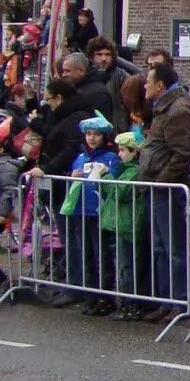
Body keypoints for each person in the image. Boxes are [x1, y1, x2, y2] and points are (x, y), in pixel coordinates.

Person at [137, 61, 190, 325]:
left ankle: (180, 301)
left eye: (148, 82)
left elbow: (182, 154)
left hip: (168, 190)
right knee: (162, 248)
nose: (145, 86)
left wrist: (162, 181)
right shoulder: (165, 107)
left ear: (160, 85)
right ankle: (166, 300)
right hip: (157, 188)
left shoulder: (177, 110)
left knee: (174, 248)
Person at [64, 114, 121, 313]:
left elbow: (114, 179)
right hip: (81, 212)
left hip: (99, 212)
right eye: (88, 134)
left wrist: (106, 173)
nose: (91, 138)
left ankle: (105, 297)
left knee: (101, 254)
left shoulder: (110, 157)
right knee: (86, 253)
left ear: (104, 137)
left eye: (96, 134)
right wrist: (72, 176)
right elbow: (72, 179)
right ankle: (91, 295)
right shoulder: (81, 158)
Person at [101, 131, 150, 320]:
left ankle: (130, 304)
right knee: (124, 263)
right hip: (124, 222)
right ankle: (127, 302)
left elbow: (120, 191)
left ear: (134, 152)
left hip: (130, 223)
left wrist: (104, 176)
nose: (119, 154)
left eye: (122, 150)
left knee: (128, 264)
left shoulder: (134, 172)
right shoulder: (125, 169)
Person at [85, 36, 140, 135]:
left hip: (118, 131)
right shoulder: (85, 75)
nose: (104, 58)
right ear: (91, 56)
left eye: (108, 54)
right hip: (93, 132)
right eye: (99, 54)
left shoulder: (120, 75)